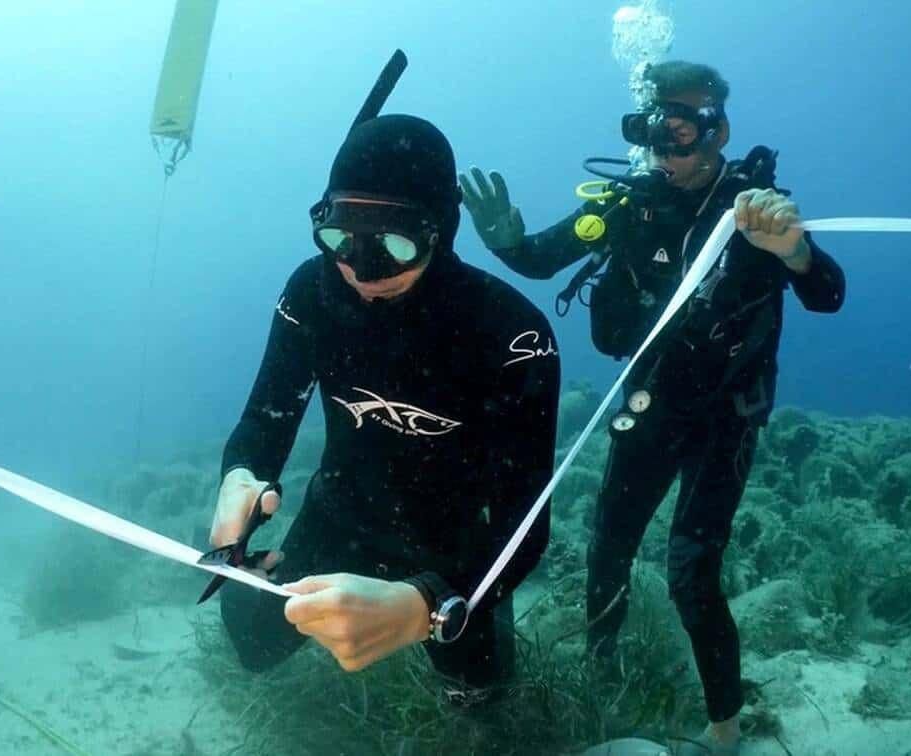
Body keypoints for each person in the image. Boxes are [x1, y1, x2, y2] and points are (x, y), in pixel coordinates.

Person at [460, 61, 845, 754]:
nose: (665, 149)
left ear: (716, 129)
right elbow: (542, 258)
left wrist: (791, 248)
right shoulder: (625, 205)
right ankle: (601, 681)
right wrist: (506, 241)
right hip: (652, 405)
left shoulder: (752, 211)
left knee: (691, 572)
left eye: (680, 130)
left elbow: (827, 294)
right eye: (651, 129)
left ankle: (725, 730)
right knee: (607, 548)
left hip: (725, 417)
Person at [207, 114, 561, 704]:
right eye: (341, 237)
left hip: (458, 543)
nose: (363, 271)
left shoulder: (512, 333)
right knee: (253, 642)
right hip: (343, 511)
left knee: (480, 698)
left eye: (395, 243)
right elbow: (266, 421)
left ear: (440, 230)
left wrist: (429, 602)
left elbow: (524, 521)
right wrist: (240, 478)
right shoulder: (311, 294)